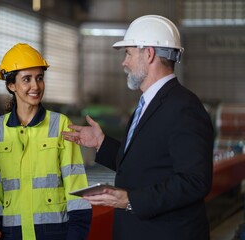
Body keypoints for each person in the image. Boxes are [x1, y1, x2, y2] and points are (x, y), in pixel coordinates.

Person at [62, 15, 214, 240]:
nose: (124, 62)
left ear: (149, 54)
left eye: (129, 53)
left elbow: (194, 181)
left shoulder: (183, 107)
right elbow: (144, 164)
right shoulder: (148, 104)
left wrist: (130, 200)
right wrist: (101, 143)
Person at [0, 43, 92, 240]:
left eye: (39, 78)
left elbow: (76, 184)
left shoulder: (61, 124)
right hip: (12, 232)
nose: (36, 86)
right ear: (11, 85)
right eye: (27, 79)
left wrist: (77, 233)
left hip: (55, 231)